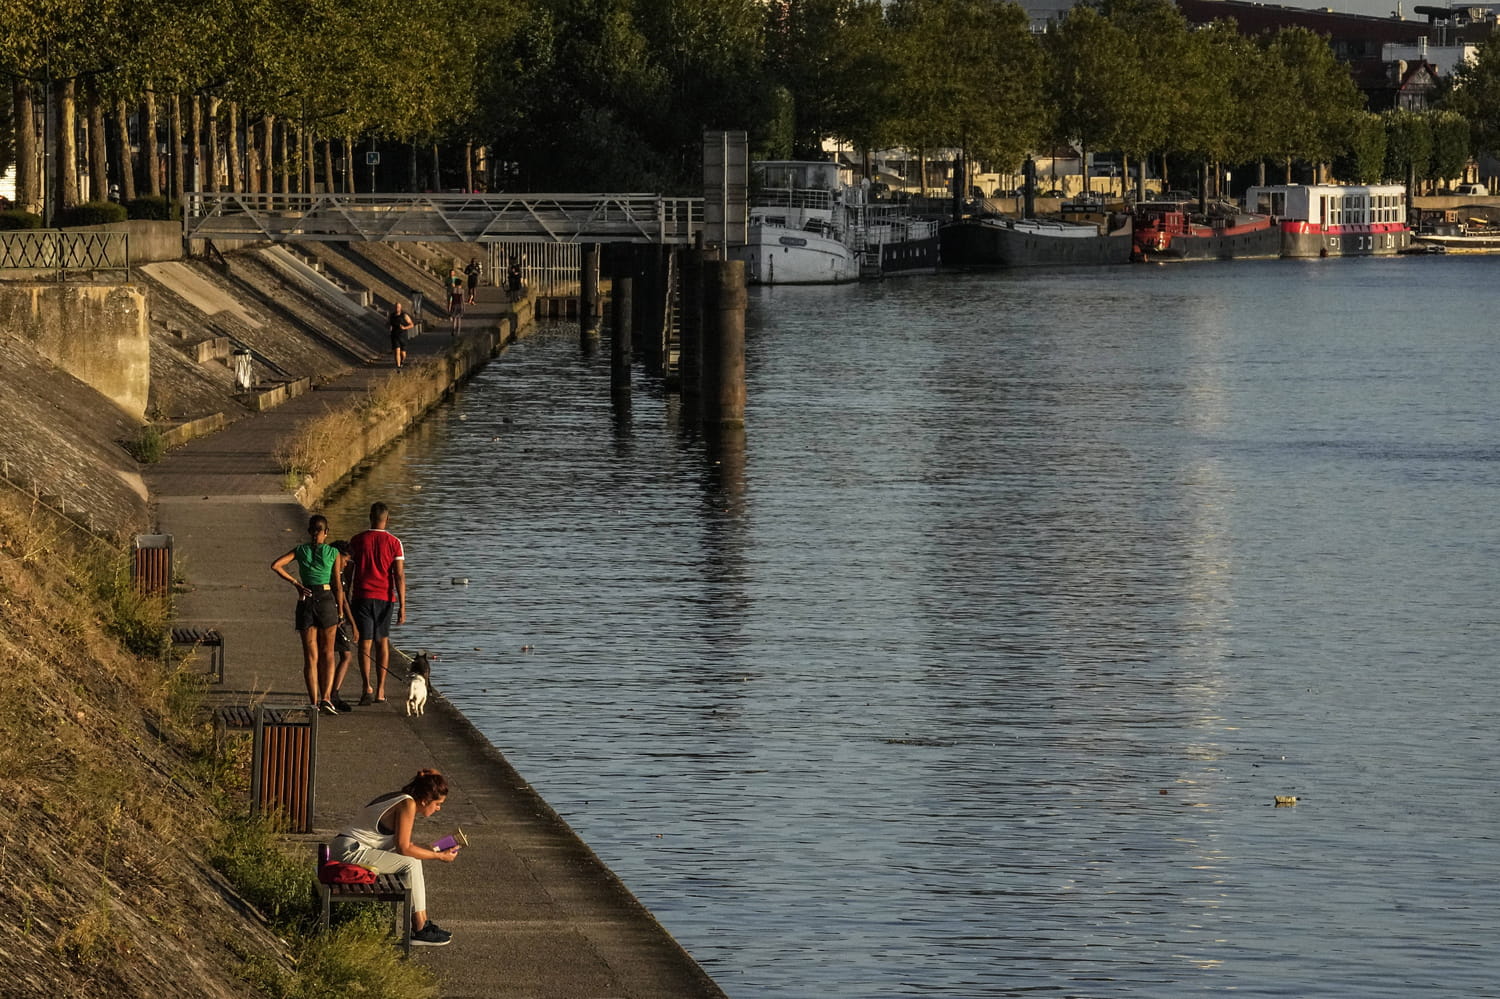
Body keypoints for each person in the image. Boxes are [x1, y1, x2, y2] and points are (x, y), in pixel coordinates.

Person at [330, 769, 459, 946]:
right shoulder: (407, 804)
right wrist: (439, 856)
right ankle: (420, 928)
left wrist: (434, 849)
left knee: (413, 860)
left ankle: (423, 925)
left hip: (348, 847)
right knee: (411, 863)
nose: (438, 808)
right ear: (425, 800)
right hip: (350, 851)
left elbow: (405, 845)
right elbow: (404, 848)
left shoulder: (402, 799)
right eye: (437, 803)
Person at [271, 514, 351, 714]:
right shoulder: (333, 552)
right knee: (328, 654)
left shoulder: (300, 550)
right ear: (326, 532)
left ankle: (314, 702)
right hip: (326, 600)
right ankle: (326, 698)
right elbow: (337, 586)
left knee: (310, 657)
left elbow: (276, 565)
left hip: (306, 600)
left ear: (309, 532)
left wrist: (296, 583)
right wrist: (341, 612)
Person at [347, 501, 406, 704]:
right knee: (382, 642)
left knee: (365, 643)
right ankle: (381, 690)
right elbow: (399, 575)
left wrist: (345, 600)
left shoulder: (357, 540)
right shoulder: (394, 542)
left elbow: (348, 572)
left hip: (361, 597)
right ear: (387, 519)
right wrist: (403, 606)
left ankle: (367, 687)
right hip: (385, 599)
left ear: (370, 517)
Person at [388, 301, 415, 369]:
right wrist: (389, 327)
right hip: (394, 335)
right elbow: (389, 323)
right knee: (396, 351)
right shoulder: (391, 316)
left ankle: (402, 361)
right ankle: (398, 367)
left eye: (398, 307)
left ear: (400, 308)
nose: (397, 308)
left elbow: (412, 325)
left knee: (403, 354)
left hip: (403, 336)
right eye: (396, 307)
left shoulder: (404, 315)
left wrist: (404, 328)